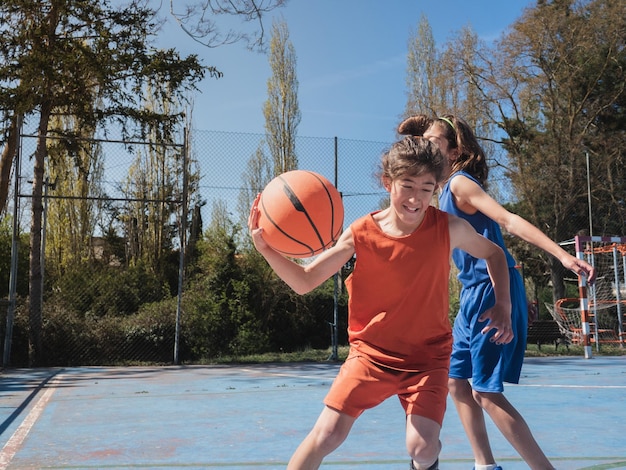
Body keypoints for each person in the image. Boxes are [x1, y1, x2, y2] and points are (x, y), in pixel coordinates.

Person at [248, 136, 513, 470]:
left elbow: (494, 253)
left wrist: (503, 303)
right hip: (371, 355)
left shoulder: (448, 227)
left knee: (422, 447)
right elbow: (305, 281)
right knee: (327, 434)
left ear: (436, 189)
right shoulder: (361, 232)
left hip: (427, 358)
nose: (416, 197)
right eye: (407, 185)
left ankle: (425, 461)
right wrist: (266, 249)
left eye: (427, 188)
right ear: (389, 183)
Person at [398, 114, 596, 470]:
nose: (426, 145)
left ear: (455, 150)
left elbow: (507, 220)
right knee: (456, 383)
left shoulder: (460, 184)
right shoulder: (437, 189)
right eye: (423, 139)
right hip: (472, 292)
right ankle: (485, 465)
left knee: (485, 391)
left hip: (494, 288)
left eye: (435, 140)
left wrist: (563, 256)